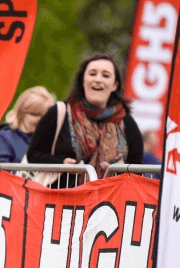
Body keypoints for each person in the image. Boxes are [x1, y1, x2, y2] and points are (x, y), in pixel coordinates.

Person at [26, 54, 143, 183]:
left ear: (115, 85)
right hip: (64, 198)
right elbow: (33, 155)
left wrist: (123, 168)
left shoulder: (126, 122)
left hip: (111, 201)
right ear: (83, 81)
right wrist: (60, 164)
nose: (98, 80)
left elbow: (138, 168)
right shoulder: (60, 113)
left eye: (106, 75)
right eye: (92, 74)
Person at [0, 86, 54, 163]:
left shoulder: (50, 141)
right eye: (36, 114)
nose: (42, 120)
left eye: (47, 115)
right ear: (21, 113)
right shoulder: (3, 138)